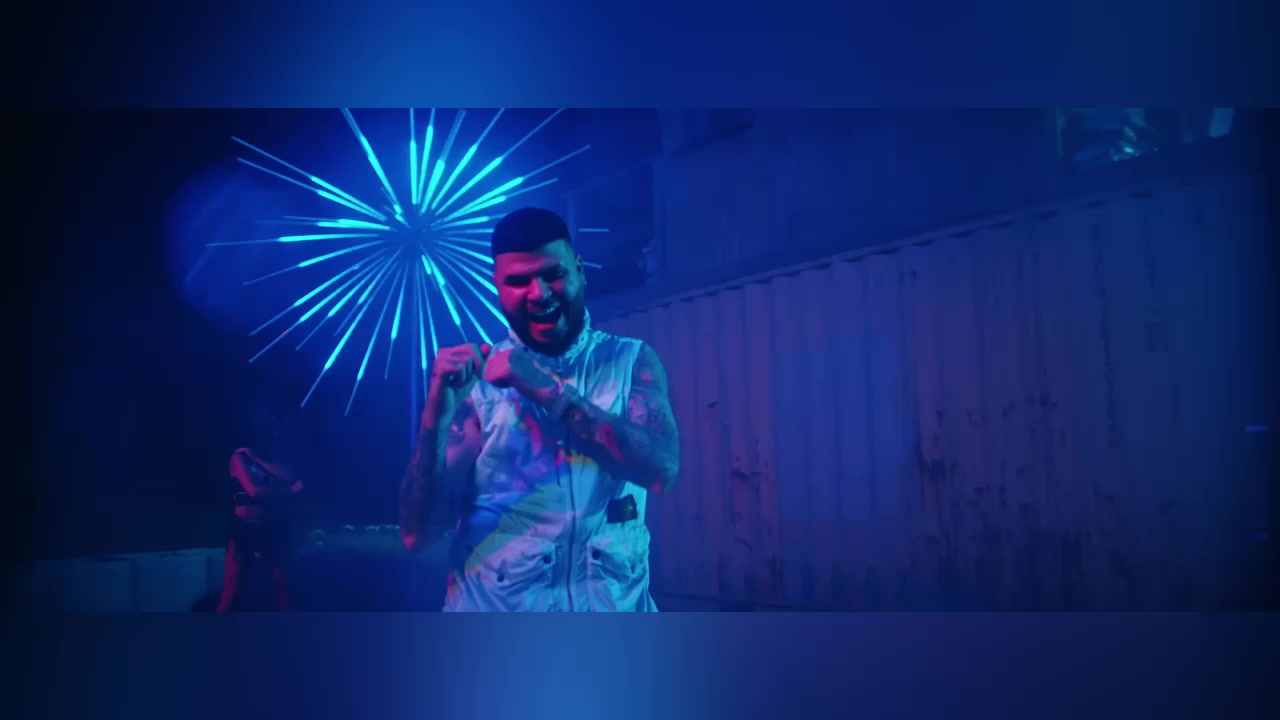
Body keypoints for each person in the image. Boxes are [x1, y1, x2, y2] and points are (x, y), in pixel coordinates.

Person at [398, 207, 680, 611]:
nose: (539, 293)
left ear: (579, 269)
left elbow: (661, 470)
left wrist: (544, 388)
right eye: (518, 281)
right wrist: (434, 421)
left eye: (554, 274)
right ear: (497, 287)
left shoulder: (630, 361)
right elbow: (417, 534)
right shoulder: (473, 385)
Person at [216, 413, 304, 612]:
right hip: (244, 529)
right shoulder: (239, 457)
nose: (276, 434)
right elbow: (253, 490)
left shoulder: (277, 459)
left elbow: (291, 478)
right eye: (272, 430)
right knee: (232, 591)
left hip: (273, 528)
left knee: (283, 591)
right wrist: (288, 491)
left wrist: (258, 461)